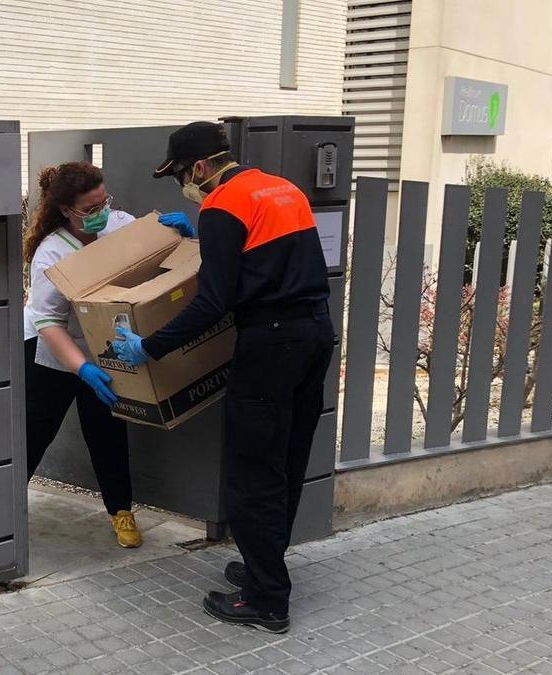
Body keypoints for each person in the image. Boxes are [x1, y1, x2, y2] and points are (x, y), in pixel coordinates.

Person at [114, 122, 333, 633]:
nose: (183, 188)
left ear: (199, 167)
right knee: (286, 457)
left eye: (180, 177)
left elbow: (214, 301)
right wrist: (203, 240)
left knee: (251, 470)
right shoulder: (281, 189)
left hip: (270, 343)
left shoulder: (221, 205)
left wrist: (149, 346)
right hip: (314, 335)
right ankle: (265, 565)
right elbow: (263, 259)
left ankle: (266, 600)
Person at [24, 161, 194, 549]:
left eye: (104, 201)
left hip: (109, 346)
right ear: (66, 210)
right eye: (90, 208)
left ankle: (121, 512)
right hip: (52, 349)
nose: (102, 212)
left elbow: (157, 262)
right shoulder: (52, 254)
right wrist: (81, 369)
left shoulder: (120, 225)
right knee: (36, 430)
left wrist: (182, 239)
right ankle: (4, 509)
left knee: (108, 432)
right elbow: (48, 322)